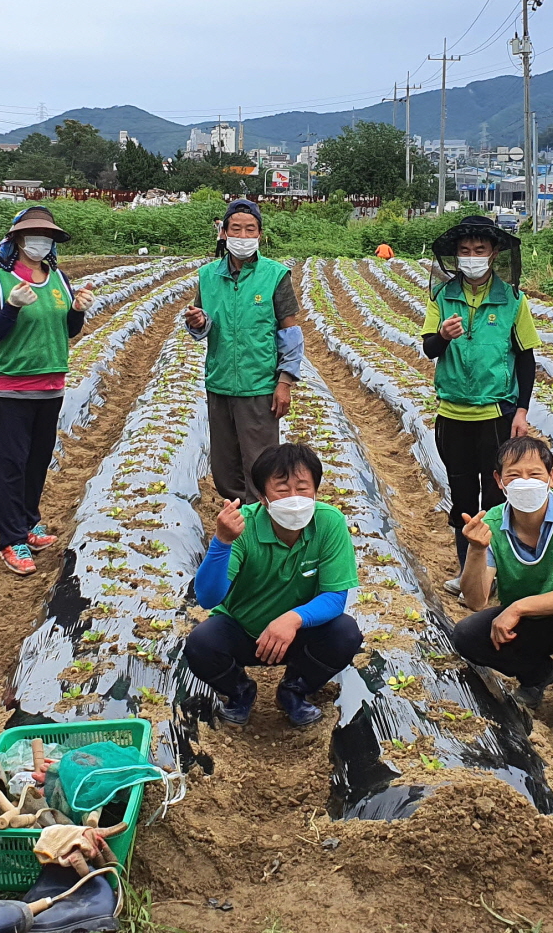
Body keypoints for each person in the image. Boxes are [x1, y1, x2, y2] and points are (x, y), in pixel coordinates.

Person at [451, 434, 553, 747]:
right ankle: (538, 674)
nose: (524, 482)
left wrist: (516, 608)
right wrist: (475, 550)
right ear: (499, 481)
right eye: (514, 475)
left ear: (551, 478)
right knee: (467, 634)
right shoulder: (492, 521)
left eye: (534, 474)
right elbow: (476, 600)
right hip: (535, 618)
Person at [188, 443, 363, 728]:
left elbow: (334, 597)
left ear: (316, 490)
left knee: (345, 632)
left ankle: (294, 690)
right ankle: (240, 692)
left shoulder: (329, 523)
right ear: (262, 497)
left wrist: (293, 619)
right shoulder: (243, 527)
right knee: (202, 644)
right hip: (245, 631)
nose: (294, 498)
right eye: (282, 490)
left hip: (299, 634)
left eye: (303, 488)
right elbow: (207, 598)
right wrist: (222, 542)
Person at [421, 215, 539, 598]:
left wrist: (521, 410)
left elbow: (525, 358)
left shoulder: (512, 300)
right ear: (455, 256)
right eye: (465, 251)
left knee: (495, 496)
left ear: (493, 254)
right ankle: (466, 572)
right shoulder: (442, 297)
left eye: (480, 251)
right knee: (462, 496)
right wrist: (442, 334)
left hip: (496, 415)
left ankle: (499, 571)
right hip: (452, 413)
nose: (472, 257)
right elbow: (429, 349)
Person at [0, 206, 97, 577]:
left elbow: (69, 329)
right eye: (34, 235)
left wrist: (77, 309)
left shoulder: (59, 279)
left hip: (51, 386)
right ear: (16, 238)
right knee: (11, 464)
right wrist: (12, 307)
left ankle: (29, 523)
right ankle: (11, 539)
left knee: (36, 462)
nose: (41, 241)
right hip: (12, 386)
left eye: (47, 236)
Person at [182, 199, 302, 504]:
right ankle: (237, 526)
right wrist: (198, 322)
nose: (243, 235)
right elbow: (204, 323)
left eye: (250, 229)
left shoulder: (275, 275)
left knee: (260, 466)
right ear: (224, 233)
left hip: (259, 387)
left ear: (260, 234)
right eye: (236, 229)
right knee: (225, 469)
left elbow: (289, 333)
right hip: (220, 384)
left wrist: (284, 382)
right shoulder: (209, 276)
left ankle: (260, 527)